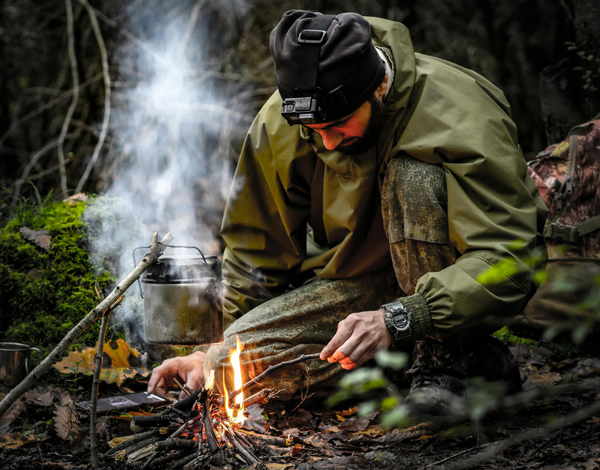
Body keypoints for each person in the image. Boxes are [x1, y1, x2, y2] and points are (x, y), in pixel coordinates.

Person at [148, 10, 548, 419]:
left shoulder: (460, 110)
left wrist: (403, 318)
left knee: (414, 176)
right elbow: (255, 254)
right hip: (356, 286)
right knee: (230, 372)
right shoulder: (288, 118)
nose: (327, 140)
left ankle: (443, 365)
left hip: (443, 284)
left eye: (338, 125)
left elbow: (510, 259)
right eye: (313, 130)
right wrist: (207, 353)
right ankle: (474, 365)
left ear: (378, 87)